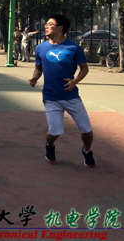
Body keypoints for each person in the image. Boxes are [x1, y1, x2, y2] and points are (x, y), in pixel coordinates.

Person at [29, 14, 95, 168]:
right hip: (51, 96)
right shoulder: (40, 48)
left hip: (71, 96)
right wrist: (35, 78)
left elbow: (84, 68)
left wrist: (74, 81)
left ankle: (87, 150)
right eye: (46, 24)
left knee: (86, 130)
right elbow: (38, 68)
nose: (46, 27)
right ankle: (50, 145)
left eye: (50, 24)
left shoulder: (73, 47)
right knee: (55, 131)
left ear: (60, 28)